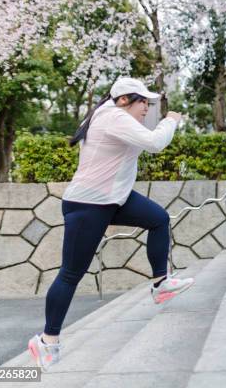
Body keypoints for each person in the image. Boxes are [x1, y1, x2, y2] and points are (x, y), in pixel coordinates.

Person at [27, 77, 194, 372]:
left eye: (148, 102)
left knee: (159, 219)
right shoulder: (112, 116)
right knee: (70, 275)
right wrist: (170, 120)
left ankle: (160, 282)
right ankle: (46, 340)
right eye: (142, 101)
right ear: (122, 100)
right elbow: (156, 143)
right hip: (88, 205)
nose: (146, 107)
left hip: (113, 199)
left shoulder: (114, 116)